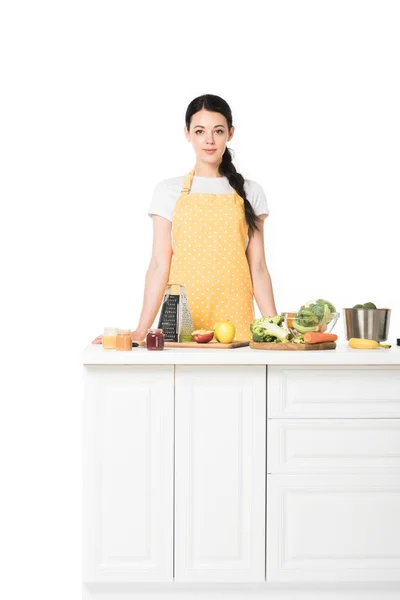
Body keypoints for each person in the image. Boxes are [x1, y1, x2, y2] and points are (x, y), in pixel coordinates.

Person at [93, 94, 277, 344]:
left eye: (218, 131)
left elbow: (258, 268)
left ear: (231, 133)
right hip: (180, 325)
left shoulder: (250, 192)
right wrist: (141, 329)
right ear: (187, 133)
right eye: (200, 131)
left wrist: (276, 330)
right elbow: (159, 264)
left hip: (237, 326)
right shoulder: (168, 191)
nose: (209, 140)